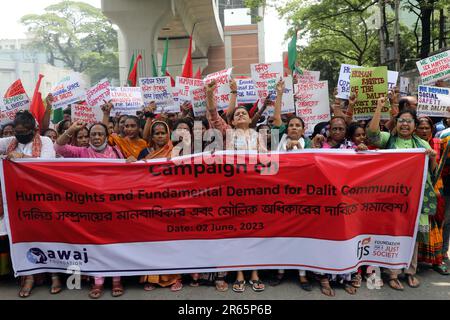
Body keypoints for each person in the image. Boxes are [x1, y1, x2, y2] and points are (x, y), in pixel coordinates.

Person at [367, 97, 438, 290]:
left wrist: (431, 158)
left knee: (412, 236)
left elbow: (432, 173)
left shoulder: (422, 145)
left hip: (415, 200)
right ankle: (392, 274)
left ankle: (410, 272)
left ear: (415, 126)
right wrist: (379, 107)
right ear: (396, 124)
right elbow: (372, 135)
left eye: (409, 121)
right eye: (401, 121)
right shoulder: (388, 139)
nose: (404, 124)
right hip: (392, 199)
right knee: (393, 234)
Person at [205, 80, 265, 293]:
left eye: (244, 113)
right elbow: (213, 115)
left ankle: (255, 272)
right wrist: (210, 93)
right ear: (231, 120)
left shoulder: (259, 136)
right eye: (236, 113)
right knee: (238, 232)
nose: (240, 114)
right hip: (233, 189)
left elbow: (266, 162)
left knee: (255, 232)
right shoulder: (227, 133)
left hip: (255, 190)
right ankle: (239, 273)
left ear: (250, 118)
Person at [54, 121, 124, 298]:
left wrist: (129, 162)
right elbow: (59, 147)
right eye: (93, 134)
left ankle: (117, 279)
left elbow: (125, 175)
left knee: (115, 243)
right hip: (90, 207)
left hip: (112, 206)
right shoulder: (81, 152)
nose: (97, 137)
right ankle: (98, 281)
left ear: (107, 136)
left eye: (100, 134)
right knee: (95, 245)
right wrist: (72, 129)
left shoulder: (116, 152)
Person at [0, 110, 58, 297]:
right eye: (16, 131)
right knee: (25, 238)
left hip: (43, 199)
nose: (19, 134)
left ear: (33, 130)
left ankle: (55, 275)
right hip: (19, 201)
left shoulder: (46, 141)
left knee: (48, 236)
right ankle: (30, 277)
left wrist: (22, 159)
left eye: (24, 131)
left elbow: (46, 164)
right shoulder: (11, 143)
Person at [415, 116, 449, 275]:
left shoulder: (439, 143)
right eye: (420, 128)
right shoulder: (412, 144)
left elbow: (439, 168)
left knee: (436, 224)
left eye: (426, 128)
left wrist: (432, 158)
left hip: (435, 188)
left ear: (432, 129)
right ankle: (414, 260)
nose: (423, 131)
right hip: (415, 189)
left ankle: (437, 259)